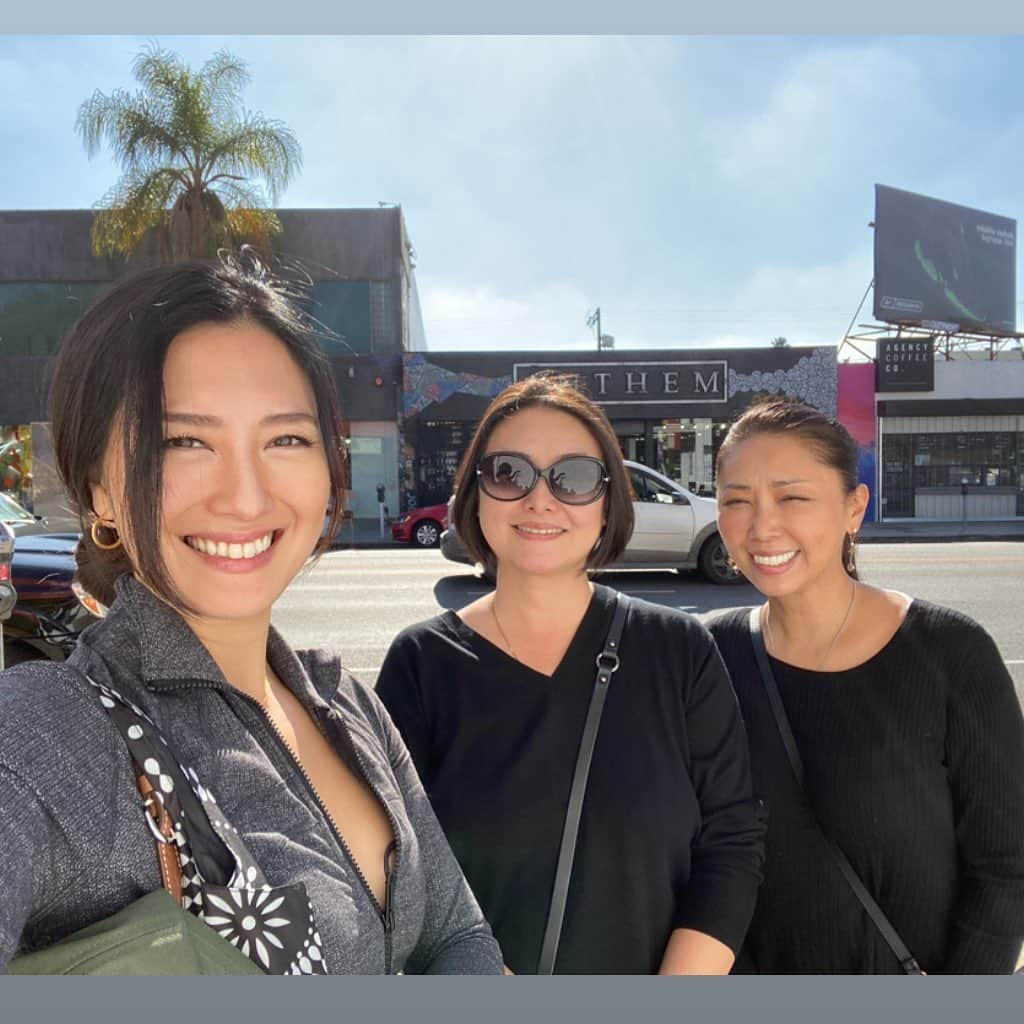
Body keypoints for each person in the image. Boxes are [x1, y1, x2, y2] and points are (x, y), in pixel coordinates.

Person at [0, 258, 503, 975]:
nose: (245, 496)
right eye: (183, 441)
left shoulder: (349, 703)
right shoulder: (54, 733)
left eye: (286, 439)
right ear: (97, 490)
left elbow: (457, 935)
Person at [376, 374, 765, 975]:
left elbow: (732, 841)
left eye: (574, 477)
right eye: (508, 473)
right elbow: (398, 868)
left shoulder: (679, 650)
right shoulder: (421, 666)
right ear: (475, 495)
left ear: (608, 501)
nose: (540, 500)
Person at [707, 399, 1024, 974]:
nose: (761, 526)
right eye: (736, 501)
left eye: (792, 497)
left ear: (855, 508)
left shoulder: (949, 652)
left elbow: (1007, 864)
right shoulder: (708, 655)